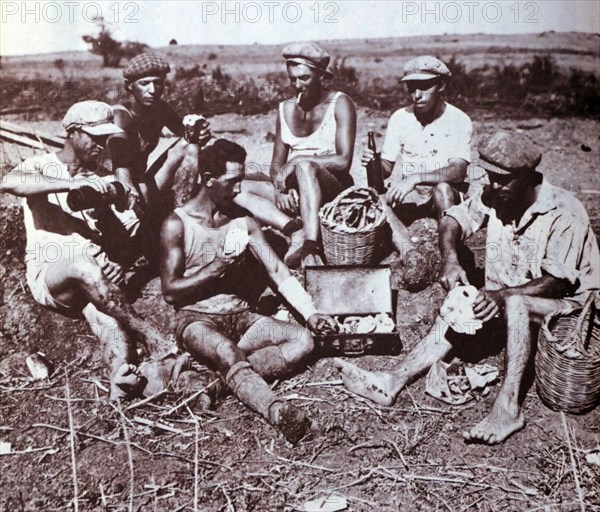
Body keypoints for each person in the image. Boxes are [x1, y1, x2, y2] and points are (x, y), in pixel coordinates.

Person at [335, 131, 600, 445]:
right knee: (463, 298)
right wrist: (450, 259)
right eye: (490, 178)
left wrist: (502, 297)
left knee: (517, 304)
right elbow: (453, 219)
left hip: (571, 311)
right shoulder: (496, 195)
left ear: (528, 177)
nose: (494, 186)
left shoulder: (562, 212)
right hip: (512, 299)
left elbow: (558, 282)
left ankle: (508, 408)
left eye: (503, 180)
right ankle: (392, 379)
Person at [160, 139, 338, 444]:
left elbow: (277, 271)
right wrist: (214, 269)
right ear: (207, 180)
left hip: (241, 316)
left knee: (303, 341)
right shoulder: (177, 225)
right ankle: (277, 412)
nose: (238, 188)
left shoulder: (243, 222)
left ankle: (214, 384)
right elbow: (171, 292)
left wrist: (311, 314)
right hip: (196, 320)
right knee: (227, 351)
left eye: (241, 179)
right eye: (231, 181)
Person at [0, 101, 170, 400]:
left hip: (95, 278)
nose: (103, 144)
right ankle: (150, 333)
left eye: (107, 137)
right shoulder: (41, 165)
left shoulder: (103, 178)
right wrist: (70, 184)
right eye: (95, 137)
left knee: (109, 325)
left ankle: (120, 375)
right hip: (52, 276)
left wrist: (120, 263)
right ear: (74, 133)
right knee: (81, 266)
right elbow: (11, 183)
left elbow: (123, 236)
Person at [234, 42, 357, 267]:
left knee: (304, 167)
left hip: (331, 189)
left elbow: (343, 160)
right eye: (292, 79)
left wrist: (300, 161)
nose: (297, 85)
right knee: (236, 187)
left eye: (304, 78)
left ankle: (311, 247)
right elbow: (277, 163)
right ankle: (294, 229)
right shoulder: (286, 108)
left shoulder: (340, 103)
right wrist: (280, 190)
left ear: (320, 76)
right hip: (294, 191)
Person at [106, 52, 211, 268]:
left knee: (187, 145)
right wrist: (127, 189)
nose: (153, 90)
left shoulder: (160, 109)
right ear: (129, 87)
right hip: (115, 188)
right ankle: (176, 220)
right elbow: (119, 161)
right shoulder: (121, 115)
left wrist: (201, 133)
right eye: (144, 84)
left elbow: (186, 133)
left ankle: (182, 212)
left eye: (158, 83)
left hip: (143, 184)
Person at [362, 55, 472, 255]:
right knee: (374, 200)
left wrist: (416, 178)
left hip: (443, 194)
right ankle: (409, 253)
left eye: (425, 87)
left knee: (443, 190)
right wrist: (374, 162)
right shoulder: (400, 118)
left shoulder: (458, 119)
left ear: (441, 86)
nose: (417, 95)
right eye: (411, 88)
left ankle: (449, 256)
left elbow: (458, 171)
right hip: (411, 196)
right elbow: (386, 168)